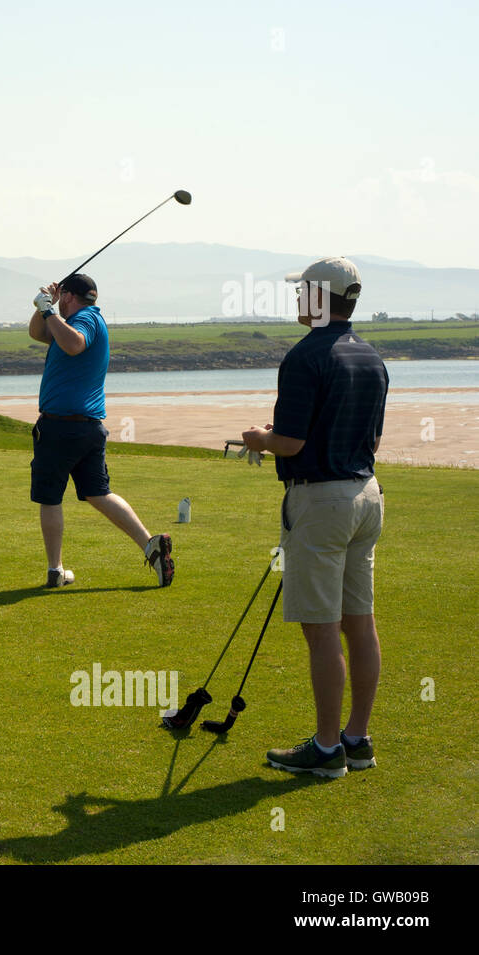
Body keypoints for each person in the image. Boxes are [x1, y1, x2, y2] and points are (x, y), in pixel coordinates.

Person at [241, 256, 388, 778]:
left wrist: (258, 439)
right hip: (366, 494)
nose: (298, 298)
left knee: (322, 631)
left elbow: (292, 441)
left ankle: (327, 751)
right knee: (359, 623)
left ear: (320, 298)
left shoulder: (305, 356)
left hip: (321, 501)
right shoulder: (371, 356)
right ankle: (357, 739)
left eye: (303, 291)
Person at [28, 273, 174, 589]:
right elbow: (38, 333)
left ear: (68, 296)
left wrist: (50, 310)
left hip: (60, 427)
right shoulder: (75, 319)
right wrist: (45, 309)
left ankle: (55, 570)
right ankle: (152, 547)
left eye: (60, 296)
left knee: (50, 497)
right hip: (86, 429)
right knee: (98, 493)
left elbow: (74, 344)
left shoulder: (85, 321)